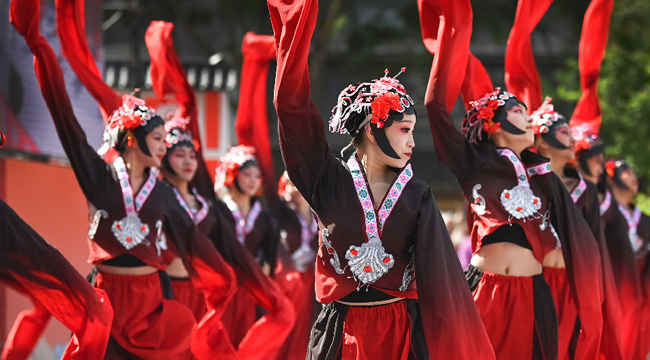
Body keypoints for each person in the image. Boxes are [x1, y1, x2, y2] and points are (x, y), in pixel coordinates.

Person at [269, 0, 495, 358]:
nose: (412, 141)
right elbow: (292, 109)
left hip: (401, 332)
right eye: (405, 130)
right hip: (341, 334)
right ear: (374, 131)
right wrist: (296, 24)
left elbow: (442, 281)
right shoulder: (329, 182)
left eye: (413, 131)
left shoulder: (417, 194)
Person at [11, 2, 238, 357]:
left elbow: (193, 242)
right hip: (106, 298)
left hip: (151, 307)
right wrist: (39, 45)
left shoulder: (163, 194)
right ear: (132, 140)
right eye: (158, 140)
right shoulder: (98, 178)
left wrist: (224, 280)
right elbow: (64, 116)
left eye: (167, 140)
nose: (164, 147)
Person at [420, 0, 605, 358]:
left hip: (532, 296)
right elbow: (435, 107)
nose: (527, 117)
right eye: (519, 111)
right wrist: (450, 32)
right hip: (482, 289)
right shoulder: (473, 163)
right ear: (493, 124)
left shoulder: (543, 173)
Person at [160, 115, 295, 359]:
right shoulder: (214, 207)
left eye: (257, 176)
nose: (253, 181)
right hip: (182, 286)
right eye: (180, 155)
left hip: (236, 289)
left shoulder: (259, 217)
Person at [533, 101, 623, 359]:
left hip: (573, 282)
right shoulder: (528, 182)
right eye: (564, 133)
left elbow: (594, 241)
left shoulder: (586, 190)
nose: (573, 140)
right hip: (536, 279)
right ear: (542, 141)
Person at [604, 159, 650, 359]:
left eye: (634, 172)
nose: (633, 177)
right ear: (609, 178)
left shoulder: (645, 219)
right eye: (626, 172)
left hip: (640, 300)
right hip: (611, 296)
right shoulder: (603, 213)